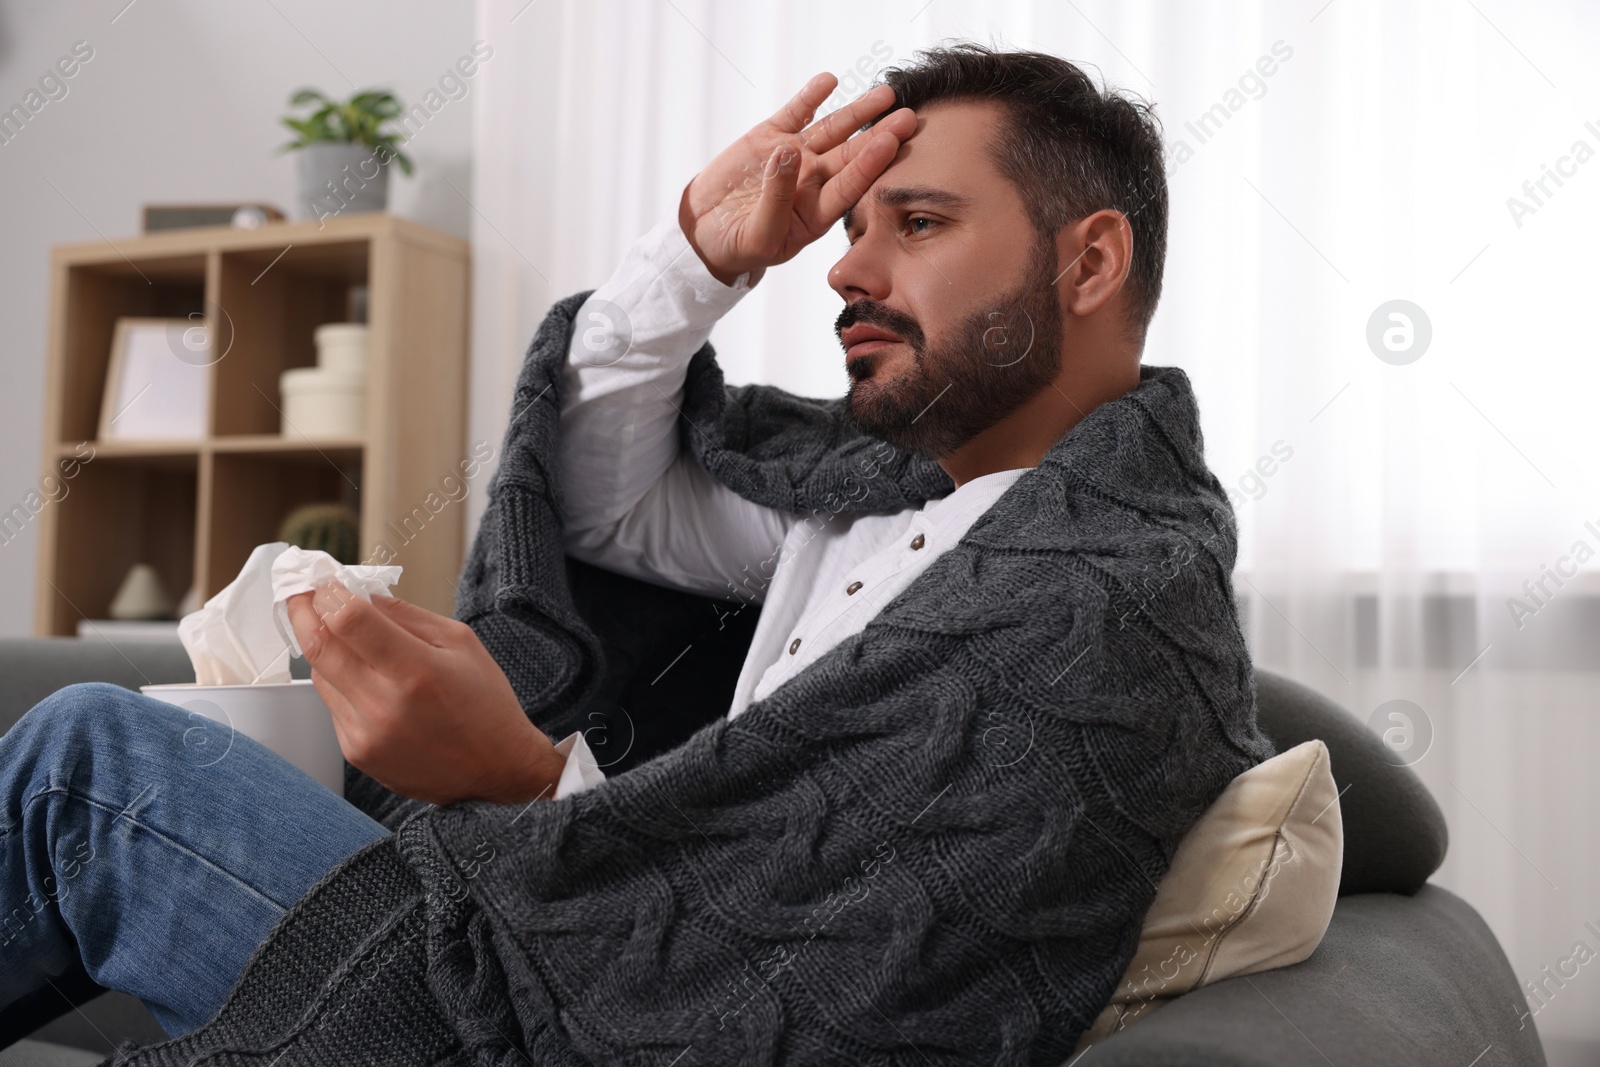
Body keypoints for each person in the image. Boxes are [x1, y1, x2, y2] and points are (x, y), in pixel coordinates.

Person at [0, 45, 1270, 1062]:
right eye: (849, 229)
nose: (847, 269)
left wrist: (516, 773)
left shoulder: (1106, 600)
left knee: (85, 761)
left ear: (1088, 259)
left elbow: (815, 994)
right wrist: (702, 253)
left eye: (918, 223)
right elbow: (606, 499)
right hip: (559, 945)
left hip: (548, 1007)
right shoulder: (881, 495)